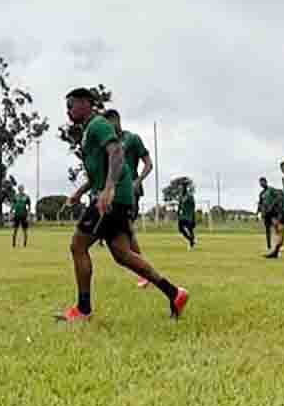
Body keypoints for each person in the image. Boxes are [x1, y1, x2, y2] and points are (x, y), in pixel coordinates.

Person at [59, 87, 188, 322]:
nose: (68, 110)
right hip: (119, 198)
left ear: (86, 103)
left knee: (78, 245)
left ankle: (83, 309)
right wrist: (79, 193)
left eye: (71, 104)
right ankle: (174, 293)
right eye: (66, 106)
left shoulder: (97, 124)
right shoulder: (89, 132)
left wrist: (108, 189)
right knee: (122, 254)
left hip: (112, 199)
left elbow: (116, 152)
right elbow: (98, 170)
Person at [102, 109, 154, 287]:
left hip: (129, 192)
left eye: (109, 122)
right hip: (112, 193)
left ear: (117, 120)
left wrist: (138, 181)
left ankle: (143, 272)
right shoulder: (108, 143)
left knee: (128, 229)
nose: (107, 126)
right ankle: (142, 270)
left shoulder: (132, 139)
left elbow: (149, 163)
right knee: (123, 231)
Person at [257, 177, 282, 250]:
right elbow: (260, 203)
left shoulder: (271, 189)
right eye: (260, 183)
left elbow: (278, 197)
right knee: (267, 229)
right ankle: (269, 246)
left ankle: (279, 245)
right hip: (266, 213)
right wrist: (258, 211)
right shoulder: (261, 193)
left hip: (273, 212)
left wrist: (272, 205)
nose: (261, 184)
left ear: (266, 182)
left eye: (263, 182)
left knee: (276, 228)